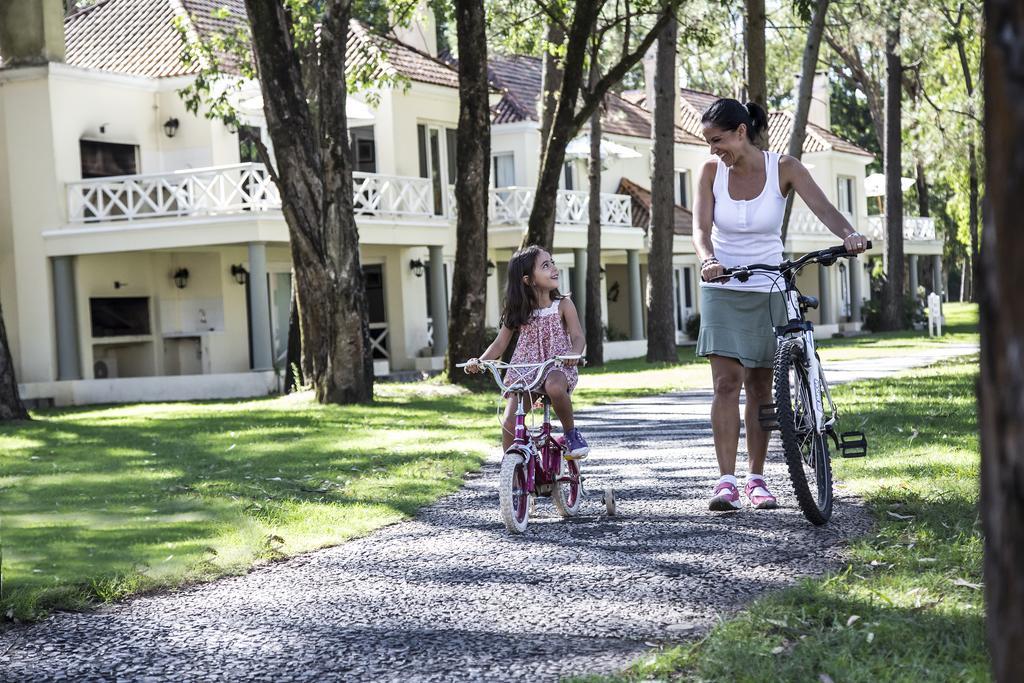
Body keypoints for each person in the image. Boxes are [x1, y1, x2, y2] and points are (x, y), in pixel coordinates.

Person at [692, 98, 868, 512]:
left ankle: (756, 478)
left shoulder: (783, 168)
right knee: (725, 384)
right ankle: (726, 481)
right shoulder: (710, 172)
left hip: (771, 286)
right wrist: (708, 261)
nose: (713, 149)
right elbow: (700, 229)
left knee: (759, 386)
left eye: (717, 140)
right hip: (724, 285)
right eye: (707, 142)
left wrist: (850, 235)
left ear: (740, 131)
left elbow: (824, 208)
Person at [465, 245, 589, 457]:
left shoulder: (563, 305)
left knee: (555, 387)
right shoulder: (518, 311)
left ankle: (570, 433)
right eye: (545, 265)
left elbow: (578, 336)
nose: (553, 268)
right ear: (528, 280)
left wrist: (573, 354)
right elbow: (500, 344)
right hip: (526, 370)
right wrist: (481, 360)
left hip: (556, 365)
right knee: (509, 422)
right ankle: (512, 472)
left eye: (552, 263)